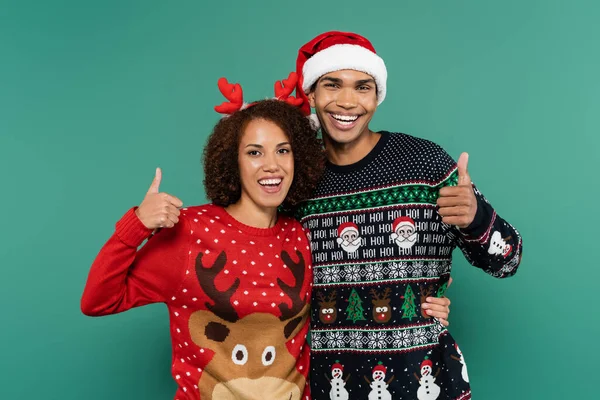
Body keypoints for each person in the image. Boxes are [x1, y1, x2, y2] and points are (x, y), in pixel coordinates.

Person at [291, 31, 523, 399]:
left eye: (363, 87)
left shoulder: (424, 163)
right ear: (311, 94)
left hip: (424, 379)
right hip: (324, 384)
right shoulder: (296, 179)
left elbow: (508, 260)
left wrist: (476, 217)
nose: (347, 101)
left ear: (377, 96)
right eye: (332, 85)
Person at [80, 74, 325, 400]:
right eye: (254, 153)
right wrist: (136, 224)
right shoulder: (189, 231)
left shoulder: (301, 234)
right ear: (231, 161)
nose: (272, 165)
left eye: (283, 151)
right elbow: (98, 300)